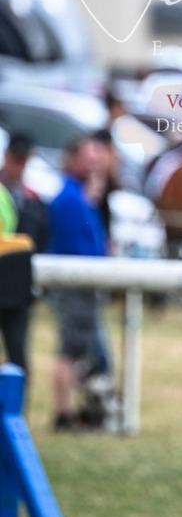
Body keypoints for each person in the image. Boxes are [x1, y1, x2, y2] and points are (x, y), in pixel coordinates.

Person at [48, 135, 110, 430]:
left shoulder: (79, 196)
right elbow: (79, 247)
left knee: (75, 352)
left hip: (81, 285)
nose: (94, 164)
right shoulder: (70, 198)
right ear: (72, 160)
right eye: (88, 159)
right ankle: (63, 414)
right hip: (76, 286)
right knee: (69, 351)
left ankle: (70, 412)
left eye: (97, 159)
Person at [0, 134, 47, 385]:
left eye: (22, 160)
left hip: (18, 290)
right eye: (15, 158)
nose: (18, 165)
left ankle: (16, 414)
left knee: (19, 356)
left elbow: (41, 239)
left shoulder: (33, 199)